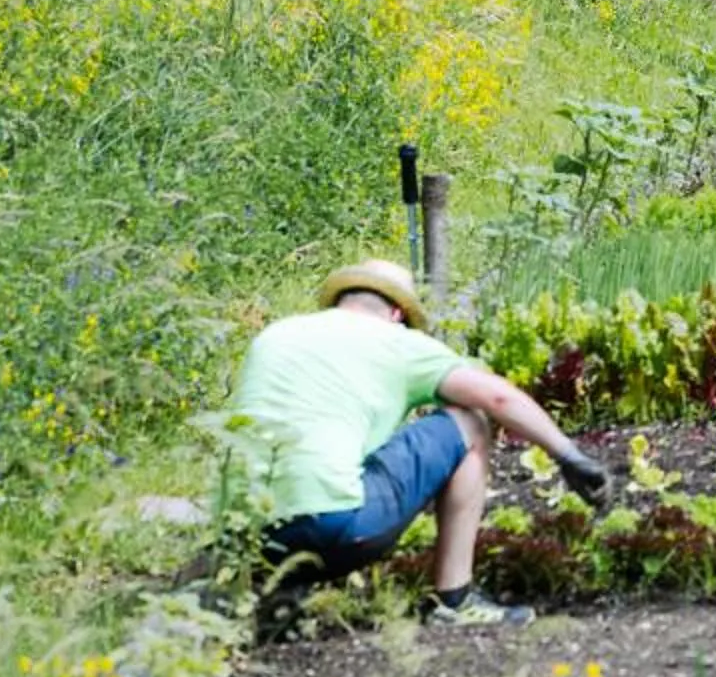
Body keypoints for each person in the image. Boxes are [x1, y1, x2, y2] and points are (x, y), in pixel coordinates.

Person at [221, 259, 610, 628]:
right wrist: (567, 455)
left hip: (244, 538)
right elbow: (498, 399)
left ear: (342, 300)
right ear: (397, 314)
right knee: (469, 421)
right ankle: (455, 601)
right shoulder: (395, 341)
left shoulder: (276, 335)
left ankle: (272, 591)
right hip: (334, 526)